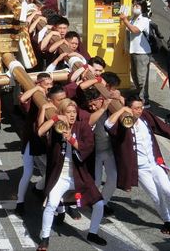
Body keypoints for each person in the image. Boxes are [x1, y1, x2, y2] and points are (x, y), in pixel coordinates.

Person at [108, 97, 170, 238]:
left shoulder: (145, 117)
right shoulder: (124, 122)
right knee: (156, 197)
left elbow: (159, 125)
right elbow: (108, 124)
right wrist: (122, 110)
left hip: (155, 163)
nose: (139, 110)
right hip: (141, 169)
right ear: (129, 109)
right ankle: (167, 221)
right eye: (136, 108)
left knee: (169, 191)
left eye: (141, 107)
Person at [36, 99, 106, 250]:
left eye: (74, 112)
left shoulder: (83, 127)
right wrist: (54, 118)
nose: (72, 115)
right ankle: (45, 238)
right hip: (60, 176)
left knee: (99, 204)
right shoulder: (57, 126)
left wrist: (71, 139)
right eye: (68, 112)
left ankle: (92, 233)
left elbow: (88, 147)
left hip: (79, 175)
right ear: (62, 113)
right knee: (51, 204)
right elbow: (40, 132)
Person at [15, 73, 54, 215]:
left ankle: (38, 189)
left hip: (45, 139)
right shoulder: (36, 94)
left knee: (52, 169)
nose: (49, 86)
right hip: (32, 138)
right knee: (28, 171)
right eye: (46, 83)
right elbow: (23, 99)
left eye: (51, 84)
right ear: (39, 83)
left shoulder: (52, 96)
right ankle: (20, 202)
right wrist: (36, 89)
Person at [85, 88, 118, 216]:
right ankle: (94, 203)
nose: (92, 107)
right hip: (95, 153)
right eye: (90, 105)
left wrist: (119, 97)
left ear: (101, 99)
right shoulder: (88, 113)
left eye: (94, 104)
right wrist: (101, 109)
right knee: (97, 181)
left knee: (113, 178)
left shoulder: (111, 107)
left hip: (109, 150)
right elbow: (89, 122)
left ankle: (103, 202)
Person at [120, 0, 152, 107]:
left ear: (142, 8)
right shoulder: (133, 18)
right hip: (133, 51)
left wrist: (125, 20)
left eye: (137, 6)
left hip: (142, 52)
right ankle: (139, 97)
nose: (135, 8)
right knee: (135, 76)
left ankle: (144, 100)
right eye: (133, 5)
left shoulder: (144, 19)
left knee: (142, 78)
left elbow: (135, 30)